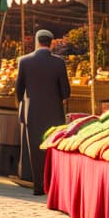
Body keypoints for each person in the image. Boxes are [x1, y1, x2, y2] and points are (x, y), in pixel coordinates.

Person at [15, 29, 69, 195]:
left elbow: (19, 88)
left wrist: (22, 103)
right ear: (51, 43)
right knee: (52, 147)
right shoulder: (59, 63)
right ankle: (52, 185)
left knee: (35, 148)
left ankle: (38, 186)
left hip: (32, 111)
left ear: (37, 42)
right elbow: (66, 91)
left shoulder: (24, 61)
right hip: (54, 111)